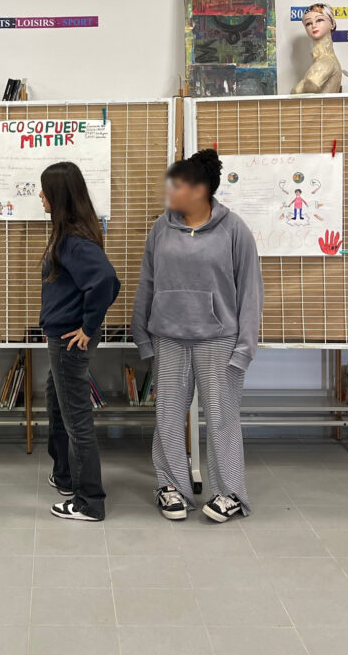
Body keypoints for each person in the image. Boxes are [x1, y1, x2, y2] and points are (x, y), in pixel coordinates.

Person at [131, 148, 263, 524]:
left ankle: (230, 493)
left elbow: (251, 292)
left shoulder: (234, 230)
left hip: (218, 340)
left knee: (222, 418)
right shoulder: (161, 228)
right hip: (168, 338)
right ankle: (171, 486)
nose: (171, 191)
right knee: (168, 416)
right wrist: (142, 336)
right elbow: (147, 282)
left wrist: (245, 348)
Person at [38, 161, 120, 522]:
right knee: (57, 402)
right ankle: (66, 476)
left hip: (69, 341)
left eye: (44, 190)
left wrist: (88, 327)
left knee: (76, 419)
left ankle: (89, 501)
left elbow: (106, 281)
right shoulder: (67, 236)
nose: (40, 196)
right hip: (63, 337)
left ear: (57, 196)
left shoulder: (73, 240)